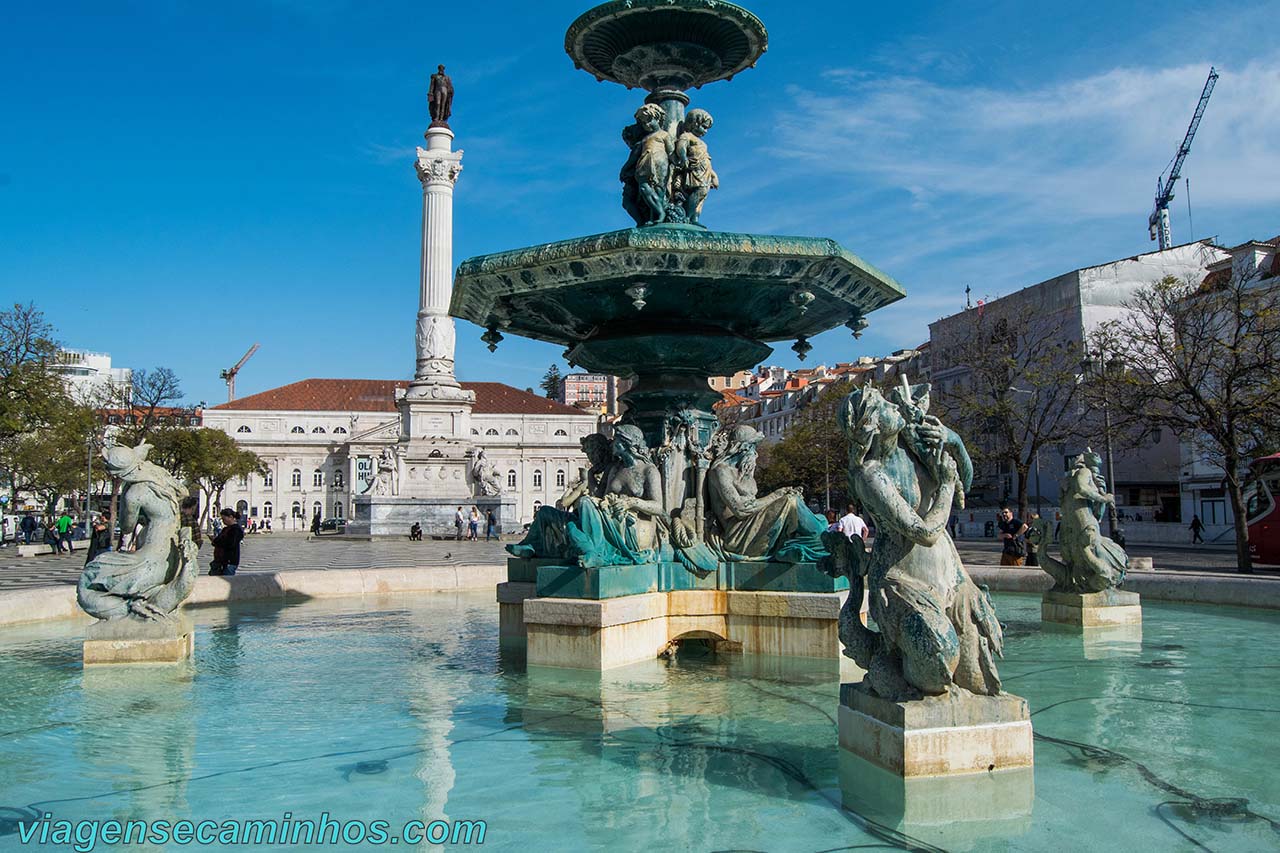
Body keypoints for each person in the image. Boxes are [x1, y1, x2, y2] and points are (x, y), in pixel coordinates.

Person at [210, 508, 244, 576]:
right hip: (221, 560)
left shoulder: (235, 529)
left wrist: (216, 541)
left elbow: (230, 543)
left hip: (229, 560)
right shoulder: (226, 529)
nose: (223, 521)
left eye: (224, 519)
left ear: (231, 517)